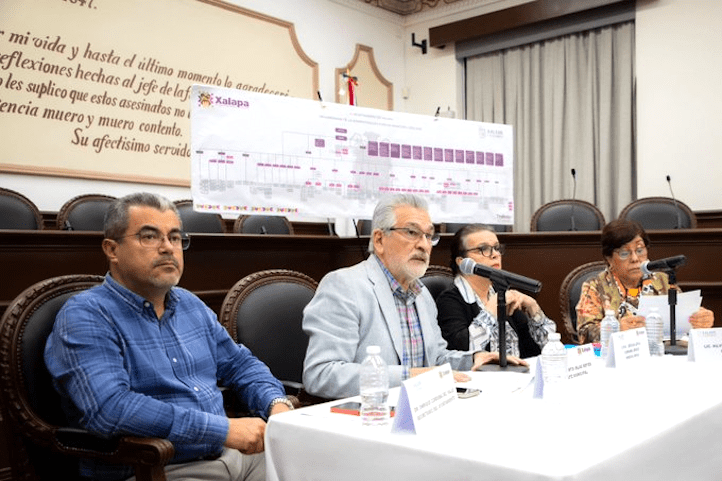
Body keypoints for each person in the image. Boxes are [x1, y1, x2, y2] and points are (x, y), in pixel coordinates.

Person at [45, 193, 293, 481]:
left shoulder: (189, 304)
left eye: (175, 237)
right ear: (112, 249)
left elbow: (241, 365)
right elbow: (111, 408)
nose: (167, 248)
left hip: (233, 456)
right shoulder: (86, 315)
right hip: (154, 468)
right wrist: (222, 430)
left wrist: (276, 404)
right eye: (149, 237)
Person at [302, 194, 526, 400]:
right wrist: (410, 377)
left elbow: (436, 360)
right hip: (367, 416)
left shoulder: (421, 294)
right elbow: (321, 374)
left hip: (421, 409)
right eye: (411, 232)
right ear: (379, 240)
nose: (423, 244)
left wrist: (473, 359)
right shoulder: (344, 286)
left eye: (429, 235)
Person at [576, 219, 714, 343]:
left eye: (640, 250)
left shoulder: (662, 280)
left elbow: (682, 317)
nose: (635, 258)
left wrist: (699, 319)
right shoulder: (595, 286)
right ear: (609, 259)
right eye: (624, 253)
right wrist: (617, 329)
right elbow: (584, 333)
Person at [436, 224, 556, 358]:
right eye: (483, 249)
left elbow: (549, 347)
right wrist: (491, 311)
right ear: (462, 262)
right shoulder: (448, 301)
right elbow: (463, 352)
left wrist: (533, 308)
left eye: (497, 248)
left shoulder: (501, 293)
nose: (495, 255)